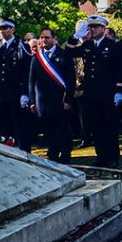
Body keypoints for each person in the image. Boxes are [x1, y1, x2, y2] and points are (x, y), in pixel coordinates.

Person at [65, 15, 122, 168]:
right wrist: (75, 37)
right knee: (96, 126)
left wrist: (119, 89)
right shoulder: (88, 45)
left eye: (95, 27)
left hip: (108, 93)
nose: (92, 29)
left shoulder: (112, 45)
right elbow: (68, 52)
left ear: (103, 29)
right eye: (90, 27)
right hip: (91, 93)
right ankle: (101, 155)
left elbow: (120, 69)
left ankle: (113, 156)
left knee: (110, 126)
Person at [0, 18, 33, 150]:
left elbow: (27, 72)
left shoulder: (21, 46)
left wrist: (26, 93)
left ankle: (24, 152)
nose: (1, 31)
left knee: (19, 126)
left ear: (12, 29)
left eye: (4, 28)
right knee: (3, 127)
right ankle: (7, 152)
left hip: (16, 92)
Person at [29, 27, 75, 163]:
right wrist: (32, 101)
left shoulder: (64, 54)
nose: (44, 40)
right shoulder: (37, 57)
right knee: (48, 129)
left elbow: (71, 79)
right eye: (42, 37)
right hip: (42, 101)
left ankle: (66, 153)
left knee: (63, 128)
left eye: (47, 37)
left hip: (60, 99)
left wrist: (69, 99)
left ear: (54, 39)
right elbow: (31, 81)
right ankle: (52, 152)